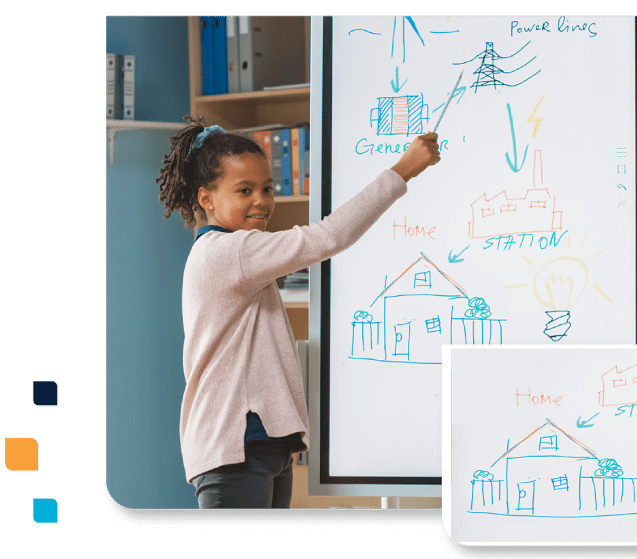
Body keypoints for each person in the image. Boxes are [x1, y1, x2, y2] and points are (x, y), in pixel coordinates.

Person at [156, 115, 440, 508]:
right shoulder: (229, 252)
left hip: (263, 446)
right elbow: (328, 237)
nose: (261, 200)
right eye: (244, 190)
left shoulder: (238, 251)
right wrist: (403, 170)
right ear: (207, 198)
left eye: (267, 188)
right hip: (234, 451)